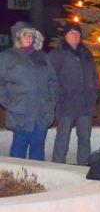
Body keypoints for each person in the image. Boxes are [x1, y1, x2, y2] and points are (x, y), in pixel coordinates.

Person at [0, 21, 57, 160]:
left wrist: (51, 102)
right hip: (21, 113)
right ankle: (15, 180)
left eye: (31, 35)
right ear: (18, 37)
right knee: (19, 148)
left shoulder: (42, 56)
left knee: (38, 148)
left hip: (41, 113)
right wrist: (10, 103)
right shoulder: (7, 57)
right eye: (25, 35)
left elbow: (53, 81)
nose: (28, 38)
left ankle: (37, 180)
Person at [48, 25, 100, 165]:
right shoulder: (57, 54)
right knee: (62, 138)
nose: (75, 35)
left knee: (84, 138)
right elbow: (51, 79)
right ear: (65, 35)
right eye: (71, 33)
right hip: (66, 104)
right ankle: (58, 168)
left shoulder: (86, 53)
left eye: (77, 33)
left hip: (85, 105)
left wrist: (94, 93)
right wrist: (59, 96)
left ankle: (83, 169)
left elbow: (95, 76)